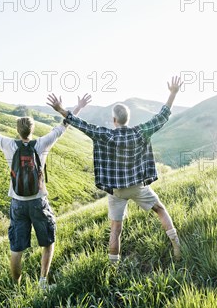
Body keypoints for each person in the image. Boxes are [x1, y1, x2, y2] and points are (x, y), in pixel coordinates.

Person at [0, 95, 90, 288]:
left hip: (17, 202)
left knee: (17, 248)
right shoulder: (42, 144)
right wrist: (78, 107)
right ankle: (43, 282)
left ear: (18, 130)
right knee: (48, 242)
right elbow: (64, 124)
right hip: (39, 201)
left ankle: (16, 287)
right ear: (32, 130)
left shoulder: (8, 145)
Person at [46, 76, 183, 263]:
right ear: (128, 119)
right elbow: (162, 116)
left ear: (114, 119)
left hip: (116, 191)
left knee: (116, 229)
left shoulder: (105, 135)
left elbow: (81, 124)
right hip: (137, 186)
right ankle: (176, 247)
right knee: (160, 210)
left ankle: (113, 268)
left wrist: (61, 109)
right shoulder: (140, 132)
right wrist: (173, 93)